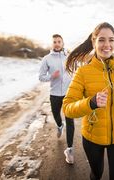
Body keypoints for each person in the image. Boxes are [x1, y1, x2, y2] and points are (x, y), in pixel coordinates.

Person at [62, 22, 114, 180]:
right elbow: (67, 108)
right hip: (92, 138)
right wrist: (91, 102)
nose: (107, 45)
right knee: (96, 174)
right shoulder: (83, 72)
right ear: (94, 42)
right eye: (102, 40)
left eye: (111, 40)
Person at [39, 34, 75, 164]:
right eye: (54, 42)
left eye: (59, 41)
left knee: (70, 121)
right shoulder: (47, 59)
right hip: (54, 94)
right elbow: (41, 77)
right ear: (52, 44)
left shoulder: (69, 57)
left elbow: (75, 72)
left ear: (63, 43)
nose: (57, 43)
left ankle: (70, 150)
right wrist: (51, 76)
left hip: (69, 95)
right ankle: (60, 126)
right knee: (56, 115)